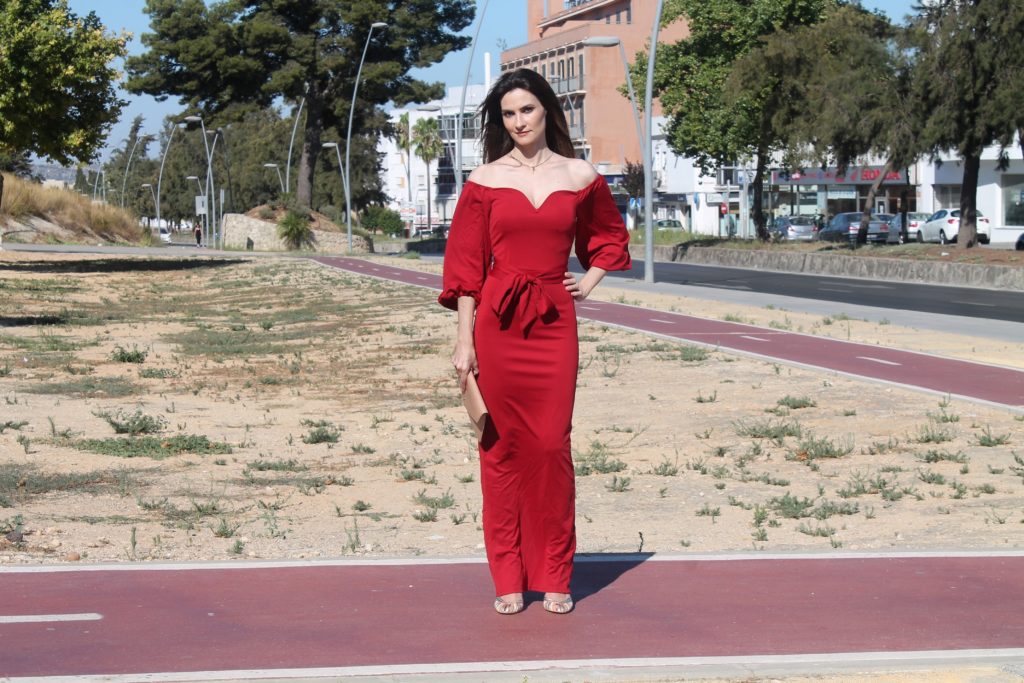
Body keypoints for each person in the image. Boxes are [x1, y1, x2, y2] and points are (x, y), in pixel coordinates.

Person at [439, 68, 631, 616]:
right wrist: (464, 342)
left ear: (547, 110)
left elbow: (609, 238)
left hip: (553, 322)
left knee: (551, 447)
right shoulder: (484, 180)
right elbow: (467, 269)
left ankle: (553, 573)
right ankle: (507, 574)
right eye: (508, 114)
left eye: (527, 110)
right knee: (499, 449)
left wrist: (588, 281)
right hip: (497, 325)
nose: (518, 121)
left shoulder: (579, 174)